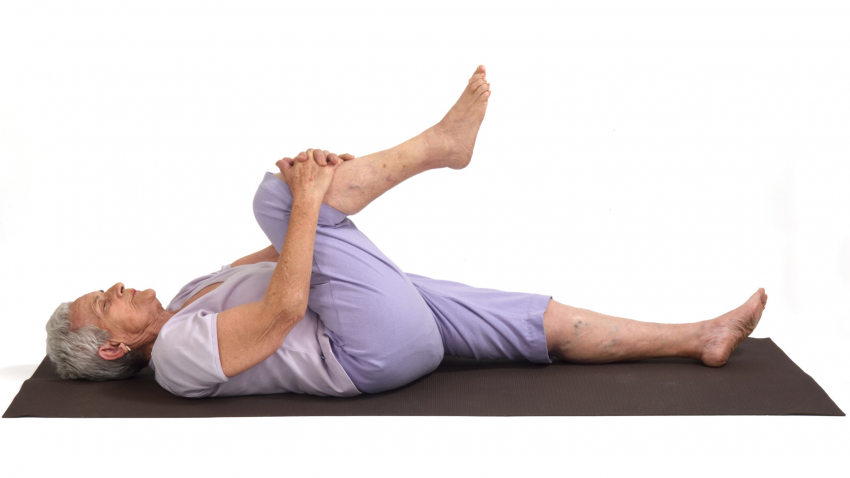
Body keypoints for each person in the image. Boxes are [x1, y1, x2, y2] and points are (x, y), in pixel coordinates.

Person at [45, 65, 768, 398]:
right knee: (275, 192)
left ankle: (695, 335)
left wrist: (326, 192)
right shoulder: (174, 357)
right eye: (105, 301)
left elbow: (283, 253)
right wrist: (305, 199)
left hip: (376, 313)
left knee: (529, 318)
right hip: (364, 351)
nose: (115, 288)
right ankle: (439, 149)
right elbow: (284, 311)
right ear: (113, 345)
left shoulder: (189, 292)